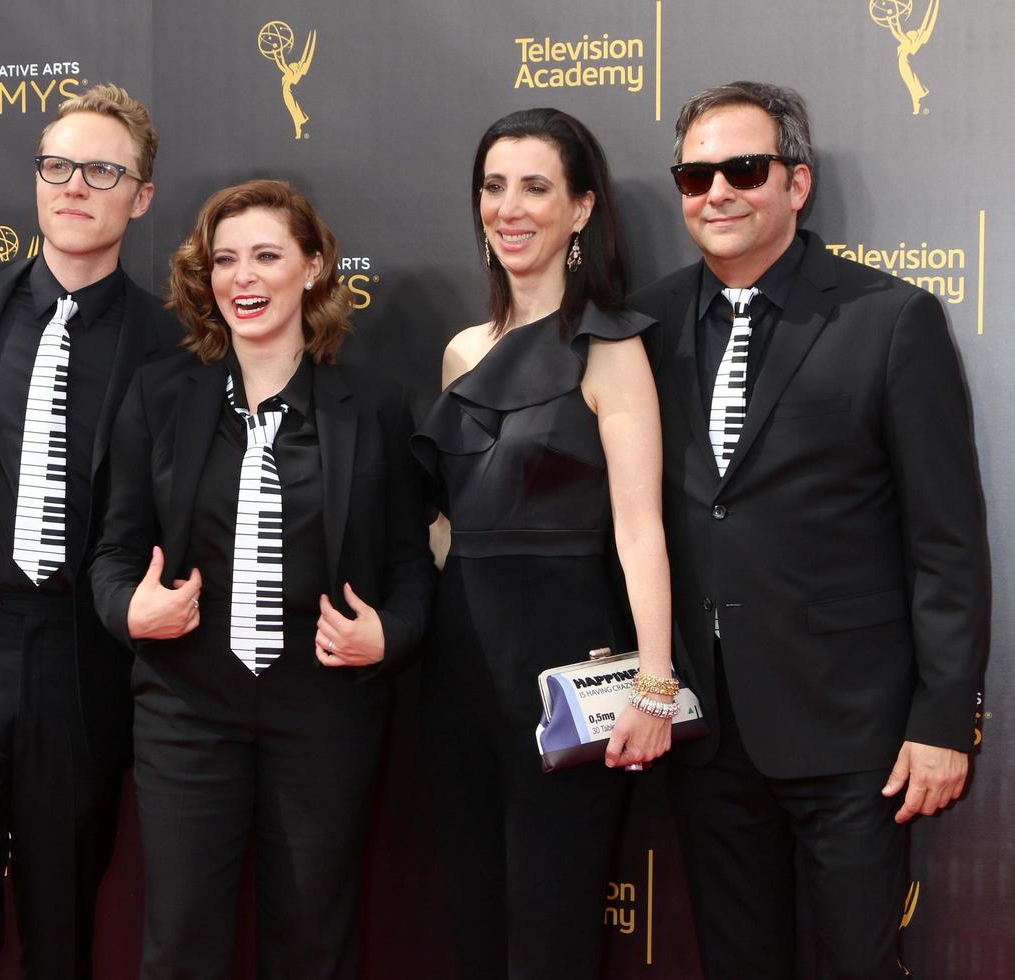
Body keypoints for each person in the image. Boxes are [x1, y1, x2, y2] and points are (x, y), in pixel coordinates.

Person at [632, 80, 988, 979]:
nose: (717, 192)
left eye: (743, 169)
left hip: (854, 736)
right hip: (706, 731)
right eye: (695, 174)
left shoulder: (891, 320)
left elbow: (945, 541)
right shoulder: (646, 325)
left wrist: (943, 719)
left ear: (798, 182)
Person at [88, 178, 435, 978]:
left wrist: (387, 635)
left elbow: (412, 570)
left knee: (315, 942)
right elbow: (112, 554)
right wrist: (129, 612)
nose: (243, 278)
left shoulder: (374, 407)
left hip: (324, 713)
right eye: (225, 261)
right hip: (185, 710)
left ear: (311, 268)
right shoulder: (160, 395)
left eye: (267, 256)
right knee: (179, 945)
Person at [0, 83, 182, 979]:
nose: (73, 186)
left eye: (101, 170)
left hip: (78, 651)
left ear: (141, 196)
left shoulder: (170, 344)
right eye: (57, 165)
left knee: (62, 923)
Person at [412, 108, 675, 980]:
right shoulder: (461, 352)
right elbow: (445, 526)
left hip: (563, 665)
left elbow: (640, 529)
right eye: (493, 186)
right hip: (457, 667)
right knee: (473, 918)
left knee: (551, 928)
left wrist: (654, 681)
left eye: (535, 187)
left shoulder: (609, 348)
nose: (509, 207)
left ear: (582, 209)